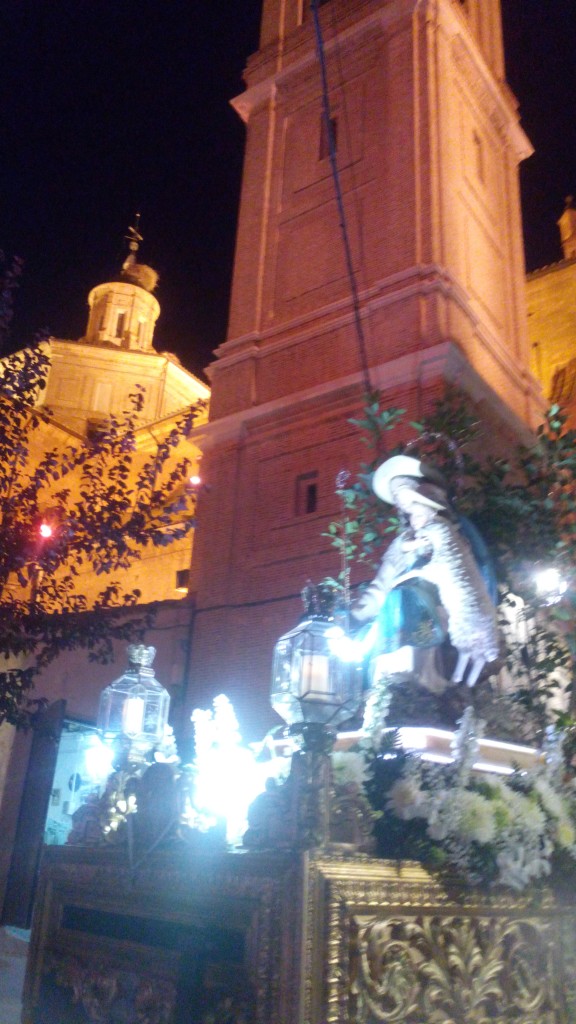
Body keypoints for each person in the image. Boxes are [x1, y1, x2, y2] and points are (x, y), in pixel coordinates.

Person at [352, 455, 499, 691]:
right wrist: (354, 614)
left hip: (440, 614)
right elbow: (380, 586)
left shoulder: (449, 533)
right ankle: (391, 687)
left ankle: (423, 685)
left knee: (410, 600)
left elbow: (466, 574)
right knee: (397, 601)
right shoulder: (401, 544)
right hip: (398, 615)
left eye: (403, 493)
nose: (400, 504)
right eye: (397, 498)